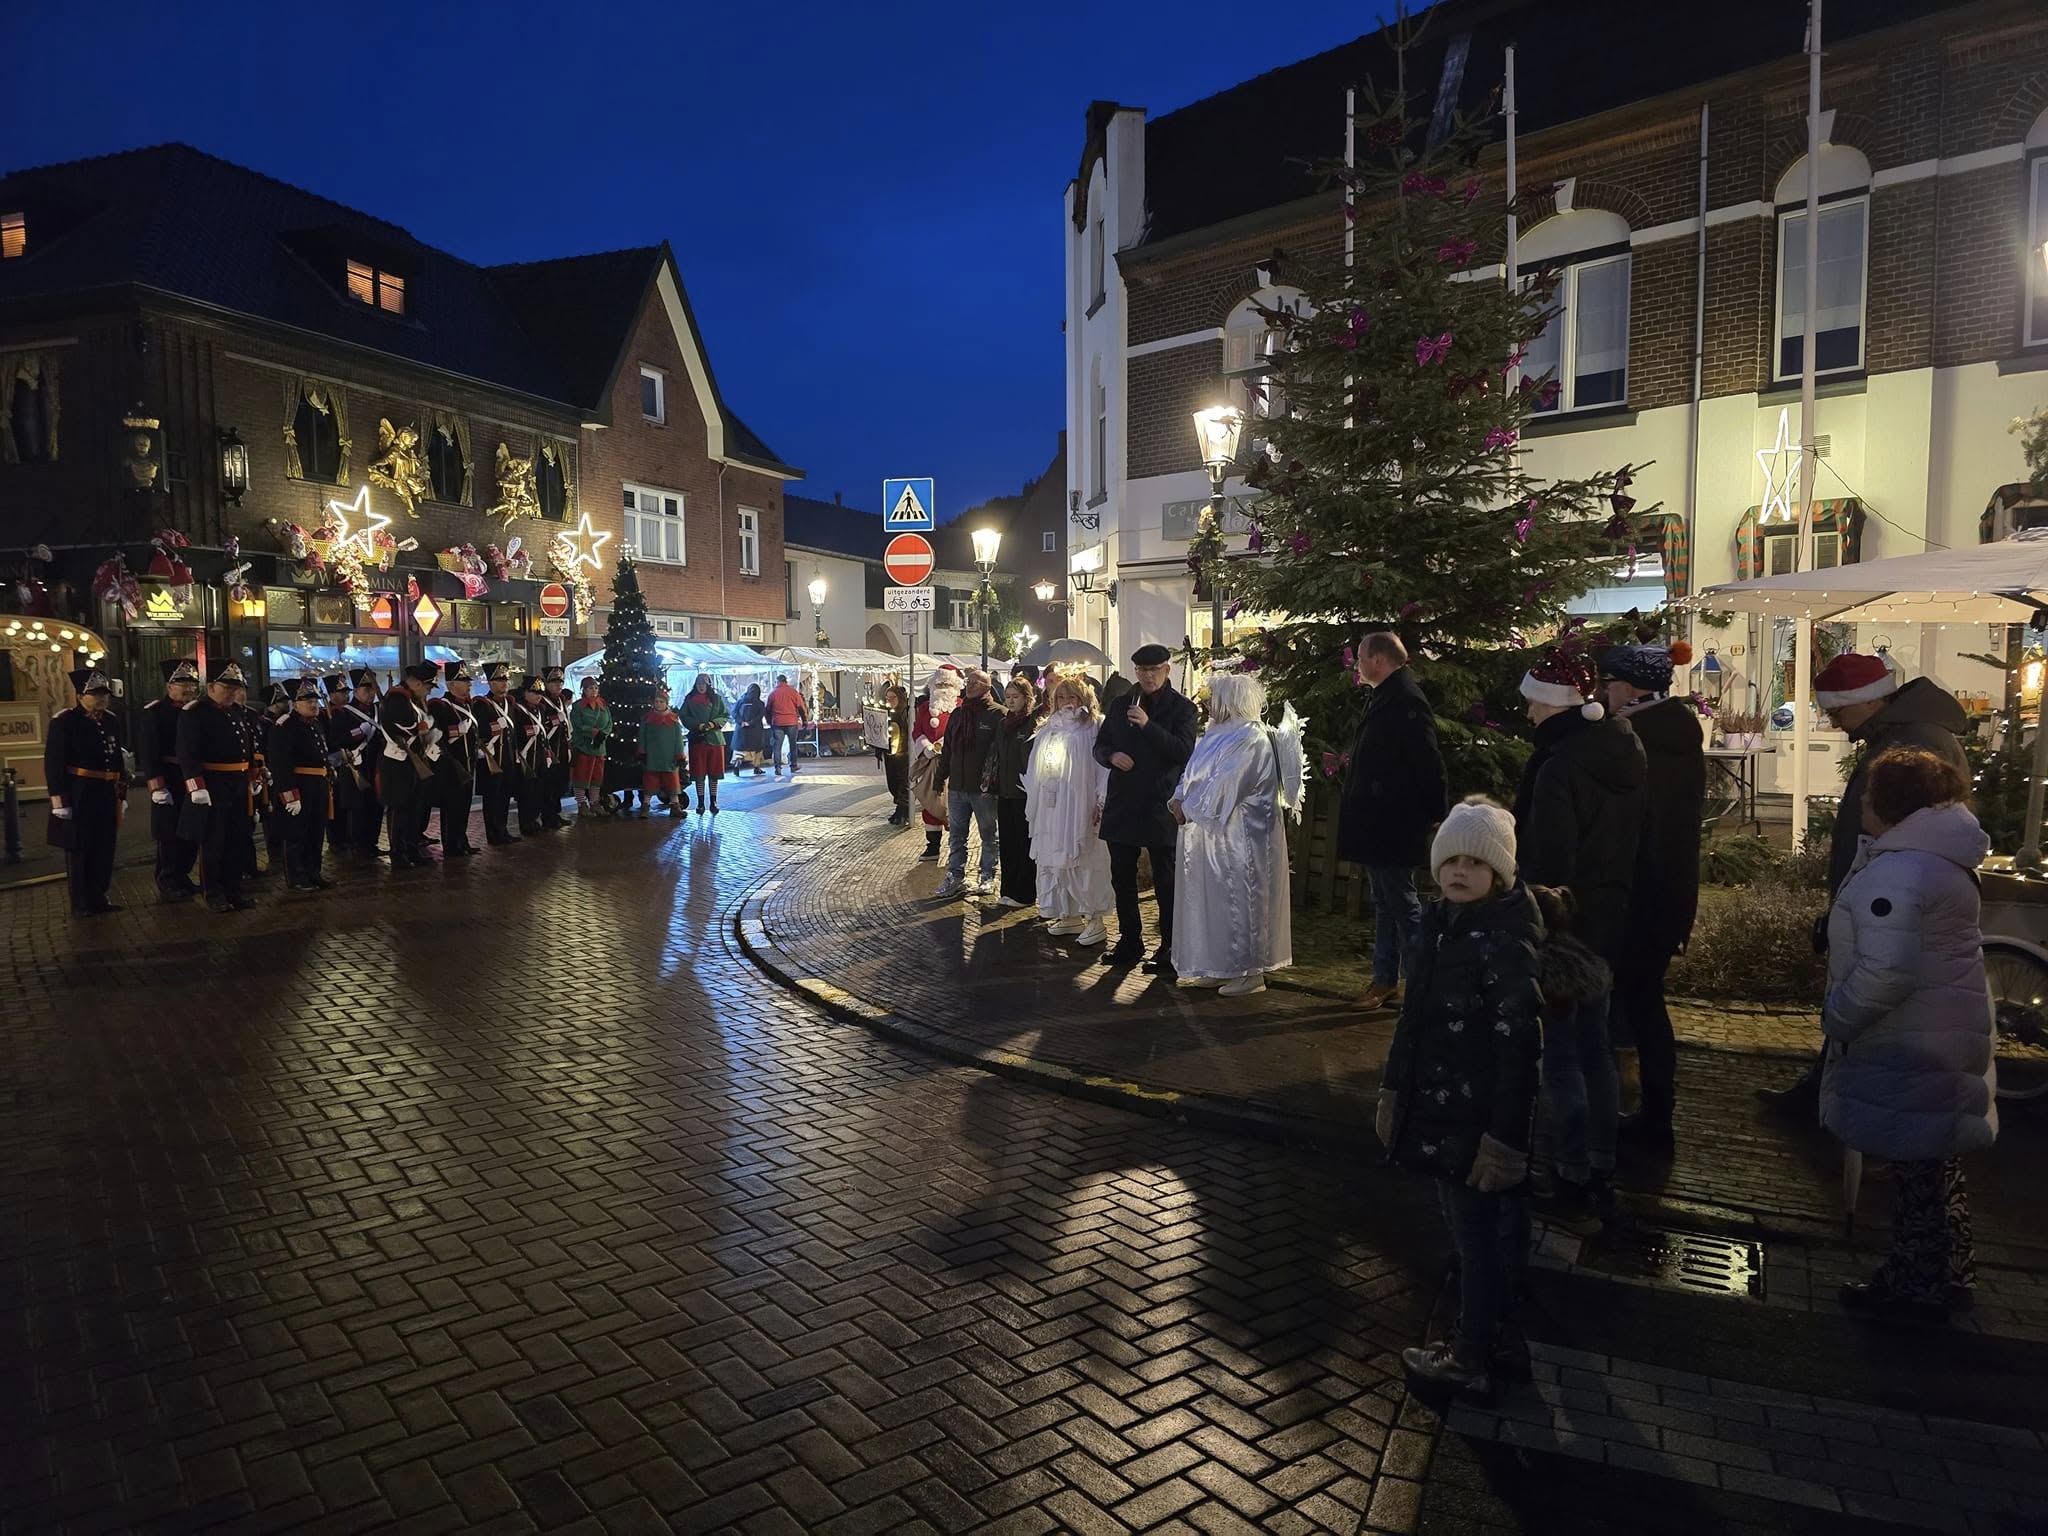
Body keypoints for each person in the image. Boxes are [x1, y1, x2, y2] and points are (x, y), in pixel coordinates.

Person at [1820, 747, 1996, 1321]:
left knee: (1916, 1171)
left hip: (1911, 1038)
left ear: (1891, 804)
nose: (1862, 804)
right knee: (1937, 1165)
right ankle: (1950, 1272)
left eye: (1869, 795)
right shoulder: (1938, 859)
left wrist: (1837, 1018)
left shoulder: (1899, 872)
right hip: (1945, 1031)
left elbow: (1884, 973)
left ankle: (1913, 1287)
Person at [1757, 651, 1974, 1113]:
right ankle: (1827, 1094)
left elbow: (1884, 974)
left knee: (1876, 1012)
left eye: (1838, 711)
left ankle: (1843, 1108)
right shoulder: (1905, 736)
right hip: (1875, 894)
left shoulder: (1912, 745)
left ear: (1870, 700)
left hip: (1884, 899)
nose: (1834, 723)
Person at [1379, 797, 1544, 1398]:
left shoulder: (1503, 942)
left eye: (1476, 862)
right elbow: (1413, 1021)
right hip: (1440, 1110)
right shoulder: (1440, 926)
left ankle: (1473, 1354)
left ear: (1499, 873)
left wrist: (1504, 1141)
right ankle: (1494, 1337)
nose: (1460, 871)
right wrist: (1393, 1090)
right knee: (1469, 1232)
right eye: (1451, 860)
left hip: (1476, 1121)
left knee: (1478, 1239)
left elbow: (1520, 1049)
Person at [1513, 652, 1646, 1226]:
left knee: (1564, 1053)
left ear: (1553, 703)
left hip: (1565, 926)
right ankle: (1600, 1160)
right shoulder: (1623, 750)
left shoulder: (1558, 766)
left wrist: (1537, 921)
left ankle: (1568, 1168)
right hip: (1610, 917)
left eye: (1533, 701)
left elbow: (1549, 859)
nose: (1527, 711)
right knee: (1596, 1046)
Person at [1598, 642, 1705, 1147]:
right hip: (1668, 893)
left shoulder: (1636, 742)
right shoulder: (1675, 732)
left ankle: (1649, 1113)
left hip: (1640, 895)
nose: (1602, 692)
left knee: (1637, 1002)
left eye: (1608, 683)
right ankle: (1653, 1107)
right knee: (1643, 1000)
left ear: (1630, 687)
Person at [1170, 670, 1304, 995]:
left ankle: (1249, 971)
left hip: (1240, 839)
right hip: (1209, 838)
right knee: (1215, 902)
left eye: (1213, 698)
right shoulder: (1216, 733)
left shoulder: (1250, 738)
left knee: (1243, 901)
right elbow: (1194, 772)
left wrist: (1188, 808)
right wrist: (1178, 796)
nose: (1207, 704)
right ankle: (1220, 965)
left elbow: (1226, 784)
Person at [1338, 633, 1449, 1010]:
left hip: (1394, 822)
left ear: (1378, 660)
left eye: (1361, 658)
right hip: (1380, 821)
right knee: (1386, 903)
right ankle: (1385, 980)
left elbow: (1428, 762)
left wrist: (1434, 813)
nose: (1357, 665)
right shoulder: (1386, 696)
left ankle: (1423, 985)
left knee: (1402, 904)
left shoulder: (1405, 700)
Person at [1095, 643, 1199, 975]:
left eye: (1154, 670)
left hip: (1159, 802)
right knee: (1121, 877)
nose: (1148, 676)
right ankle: (1130, 941)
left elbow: (1183, 751)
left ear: (1167, 670)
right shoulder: (1121, 704)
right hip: (1123, 801)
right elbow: (1101, 745)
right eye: (1142, 671)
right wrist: (1111, 757)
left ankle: (1170, 947)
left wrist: (1147, 725)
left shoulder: (1183, 709)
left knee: (1165, 880)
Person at [1023, 676, 1115, 944]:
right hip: (1052, 806)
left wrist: (1101, 800)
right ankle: (1068, 913)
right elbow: (1034, 766)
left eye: (1072, 696)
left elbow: (1103, 768)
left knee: (1084, 856)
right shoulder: (1048, 728)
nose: (1066, 702)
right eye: (1061, 697)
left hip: (1080, 804)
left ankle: (1094, 918)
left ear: (1083, 698)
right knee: (1055, 856)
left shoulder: (1095, 727)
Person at [44, 666, 127, 916]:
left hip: (106, 791)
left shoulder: (111, 720)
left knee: (105, 846)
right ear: (80, 696)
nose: (102, 699)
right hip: (80, 791)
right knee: (81, 848)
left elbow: (118, 759)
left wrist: (121, 793)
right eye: (95, 694)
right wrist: (60, 801)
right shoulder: (65, 722)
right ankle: (81, 902)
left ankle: (99, 896)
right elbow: (54, 763)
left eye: (104, 694)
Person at [177, 661, 257, 913]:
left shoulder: (236, 712)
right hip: (214, 784)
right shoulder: (195, 713)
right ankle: (213, 892)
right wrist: (196, 786)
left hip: (237, 783)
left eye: (235, 688)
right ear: (211, 686)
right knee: (214, 842)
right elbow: (187, 752)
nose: (233, 693)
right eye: (227, 687)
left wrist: (253, 775)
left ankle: (233, 890)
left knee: (237, 839)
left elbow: (247, 748)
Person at [932, 668, 1002, 900]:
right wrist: (940, 777)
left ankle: (987, 875)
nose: (969, 686)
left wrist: (996, 784)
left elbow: (1000, 754)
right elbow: (948, 749)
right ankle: (955, 875)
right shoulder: (958, 714)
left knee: (988, 834)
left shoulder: (997, 714)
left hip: (983, 790)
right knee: (956, 836)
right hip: (958, 787)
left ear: (987, 687)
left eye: (975, 683)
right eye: (968, 682)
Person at [136, 656, 201, 902]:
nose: (189, 689)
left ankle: (183, 875)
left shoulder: (197, 711)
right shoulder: (155, 713)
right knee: (169, 833)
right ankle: (168, 878)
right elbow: (148, 752)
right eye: (183, 684)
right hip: (170, 778)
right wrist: (156, 785)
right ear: (169, 687)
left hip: (192, 778)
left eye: (192, 684)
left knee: (191, 831)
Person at [269, 676, 336, 889]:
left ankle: (313, 872)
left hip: (318, 784)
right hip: (300, 785)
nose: (313, 704)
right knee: (296, 834)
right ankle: (296, 877)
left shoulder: (316, 723)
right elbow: (280, 763)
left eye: (315, 700)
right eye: (308, 701)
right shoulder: (286, 725)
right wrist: (290, 794)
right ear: (295, 704)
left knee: (316, 831)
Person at [378, 663, 441, 869]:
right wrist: (424, 726)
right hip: (398, 762)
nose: (429, 692)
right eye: (427, 687)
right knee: (400, 809)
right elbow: (403, 727)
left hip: (413, 761)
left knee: (415, 808)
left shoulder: (412, 700)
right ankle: (399, 853)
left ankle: (412, 849)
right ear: (416, 683)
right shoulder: (397, 699)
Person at [990, 678, 1039, 908]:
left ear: (1026, 698)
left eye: (1015, 697)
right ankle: (1008, 889)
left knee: (1024, 843)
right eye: (1008, 696)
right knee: (1008, 843)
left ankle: (1025, 893)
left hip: (1023, 793)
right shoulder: (1003, 724)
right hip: (1005, 792)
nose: (1010, 701)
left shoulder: (1032, 723)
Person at [425, 662, 480, 858]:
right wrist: (457, 730)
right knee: (452, 807)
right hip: (451, 765)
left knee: (464, 806)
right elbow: (435, 735)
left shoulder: (467, 705)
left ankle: (461, 841)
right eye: (463, 681)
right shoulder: (440, 706)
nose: (469, 684)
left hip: (467, 763)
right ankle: (451, 845)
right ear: (451, 684)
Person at [911, 666, 960, 861]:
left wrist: (944, 744)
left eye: (947, 684)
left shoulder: (961, 706)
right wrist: (926, 747)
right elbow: (917, 731)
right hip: (930, 761)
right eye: (940, 684)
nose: (943, 688)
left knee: (955, 805)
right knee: (931, 800)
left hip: (955, 763)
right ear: (933, 685)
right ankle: (933, 846)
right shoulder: (924, 708)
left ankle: (956, 848)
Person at [332, 669, 383, 857]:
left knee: (376, 807)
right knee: (358, 808)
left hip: (375, 765)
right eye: (366, 689)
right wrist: (359, 732)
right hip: (355, 766)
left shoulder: (378, 711)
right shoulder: (343, 713)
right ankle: (359, 845)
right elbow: (337, 739)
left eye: (372, 689)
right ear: (356, 691)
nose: (370, 693)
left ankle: (372, 843)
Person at [473, 663, 518, 843]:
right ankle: (493, 833)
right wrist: (494, 728)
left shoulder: (509, 703)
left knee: (505, 796)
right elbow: (480, 731)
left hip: (507, 756)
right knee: (492, 797)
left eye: (505, 680)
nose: (504, 683)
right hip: (491, 758)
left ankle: (502, 829)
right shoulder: (482, 704)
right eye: (499, 680)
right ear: (491, 683)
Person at [680, 672, 729, 815]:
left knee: (714, 773)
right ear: (695, 685)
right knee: (699, 773)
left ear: (708, 685)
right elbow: (683, 715)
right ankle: (700, 802)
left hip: (715, 740)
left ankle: (713, 801)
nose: (701, 687)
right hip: (698, 740)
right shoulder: (689, 699)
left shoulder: (717, 699)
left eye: (704, 684)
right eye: (699, 684)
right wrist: (697, 725)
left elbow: (725, 714)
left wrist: (714, 723)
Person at [509, 674, 549, 836]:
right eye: (534, 692)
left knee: (538, 790)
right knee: (526, 792)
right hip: (525, 756)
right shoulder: (518, 710)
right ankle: (526, 823)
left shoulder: (540, 709)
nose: (538, 696)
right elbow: (516, 734)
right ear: (525, 692)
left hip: (538, 755)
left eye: (540, 693)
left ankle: (534, 820)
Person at [639, 684, 687, 815]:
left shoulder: (673, 720)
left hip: (669, 758)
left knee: (672, 783)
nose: (658, 704)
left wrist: (680, 756)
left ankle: (675, 806)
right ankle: (645, 806)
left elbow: (678, 740)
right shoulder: (647, 719)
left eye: (661, 702)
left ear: (666, 703)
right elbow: (642, 737)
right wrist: (642, 752)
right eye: (656, 702)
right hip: (652, 757)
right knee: (650, 783)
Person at [569, 675, 612, 817]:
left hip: (599, 747)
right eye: (590, 688)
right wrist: (591, 732)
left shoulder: (603, 705)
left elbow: (609, 723)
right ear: (584, 690)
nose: (594, 691)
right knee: (581, 776)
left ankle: (594, 802)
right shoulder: (578, 706)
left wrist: (603, 734)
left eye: (596, 688)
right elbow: (577, 724)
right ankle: (581, 803)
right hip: (584, 746)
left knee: (596, 777)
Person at [319, 674, 353, 856]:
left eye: (347, 692)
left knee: (346, 802)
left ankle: (347, 837)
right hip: (333, 763)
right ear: (332, 695)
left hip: (348, 761)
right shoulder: (323, 714)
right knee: (336, 803)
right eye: (342, 692)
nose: (346, 696)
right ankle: (335, 839)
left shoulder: (347, 712)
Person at [537, 667, 572, 830]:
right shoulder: (542, 702)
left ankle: (555, 813)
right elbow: (541, 724)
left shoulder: (560, 700)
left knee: (559, 783)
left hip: (562, 747)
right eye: (554, 682)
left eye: (560, 682)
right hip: (549, 748)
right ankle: (548, 815)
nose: (558, 685)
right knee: (548, 785)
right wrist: (554, 720)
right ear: (546, 683)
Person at [881, 683, 911, 826]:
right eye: (887, 698)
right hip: (891, 755)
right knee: (893, 781)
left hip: (904, 754)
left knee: (903, 782)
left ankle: (903, 810)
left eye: (893, 697)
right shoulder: (886, 714)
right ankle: (900, 808)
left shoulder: (907, 713)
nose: (890, 701)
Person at [766, 673, 808, 775]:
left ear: (777, 682)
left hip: (777, 723)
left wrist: (769, 721)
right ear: (786, 681)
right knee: (792, 745)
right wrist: (804, 720)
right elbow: (801, 707)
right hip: (791, 722)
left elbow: (767, 710)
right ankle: (793, 765)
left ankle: (778, 767)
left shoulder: (773, 694)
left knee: (777, 746)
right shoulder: (793, 692)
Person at [734, 682, 769, 777]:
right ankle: (756, 767)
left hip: (741, 730)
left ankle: (737, 765)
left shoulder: (740, 701)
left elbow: (734, 713)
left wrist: (741, 722)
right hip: (755, 730)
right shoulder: (760, 703)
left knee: (740, 751)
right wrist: (750, 723)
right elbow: (760, 715)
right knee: (757, 750)